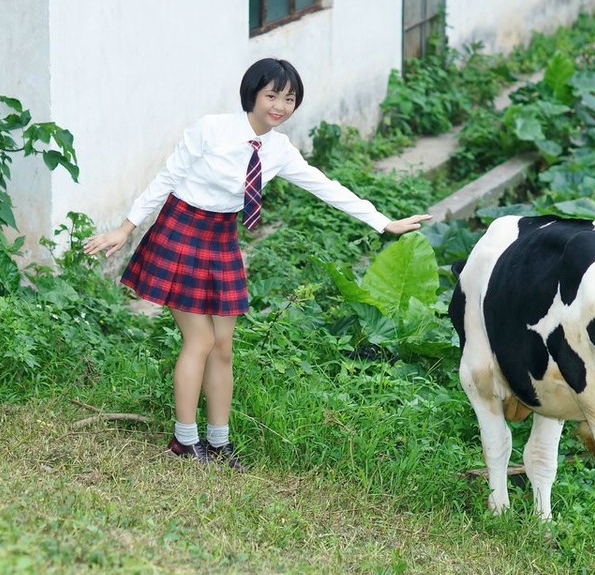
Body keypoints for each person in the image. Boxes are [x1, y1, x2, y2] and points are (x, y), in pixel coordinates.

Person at [84, 58, 431, 468]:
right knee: (200, 341)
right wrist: (126, 228)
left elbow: (326, 187)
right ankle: (183, 441)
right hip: (180, 231)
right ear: (253, 93)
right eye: (272, 96)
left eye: (289, 99)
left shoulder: (279, 150)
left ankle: (218, 443)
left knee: (224, 347)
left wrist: (382, 221)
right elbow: (167, 177)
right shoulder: (211, 129)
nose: (280, 106)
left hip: (221, 239)